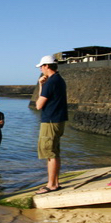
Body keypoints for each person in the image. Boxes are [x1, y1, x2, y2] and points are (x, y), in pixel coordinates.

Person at [35, 54, 68, 194]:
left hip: (50, 121)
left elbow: (39, 105)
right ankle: (55, 182)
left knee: (50, 153)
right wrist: (42, 85)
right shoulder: (59, 80)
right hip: (58, 120)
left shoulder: (51, 82)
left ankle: (51, 185)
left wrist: (42, 86)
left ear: (47, 66)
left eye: (42, 66)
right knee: (55, 152)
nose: (41, 69)